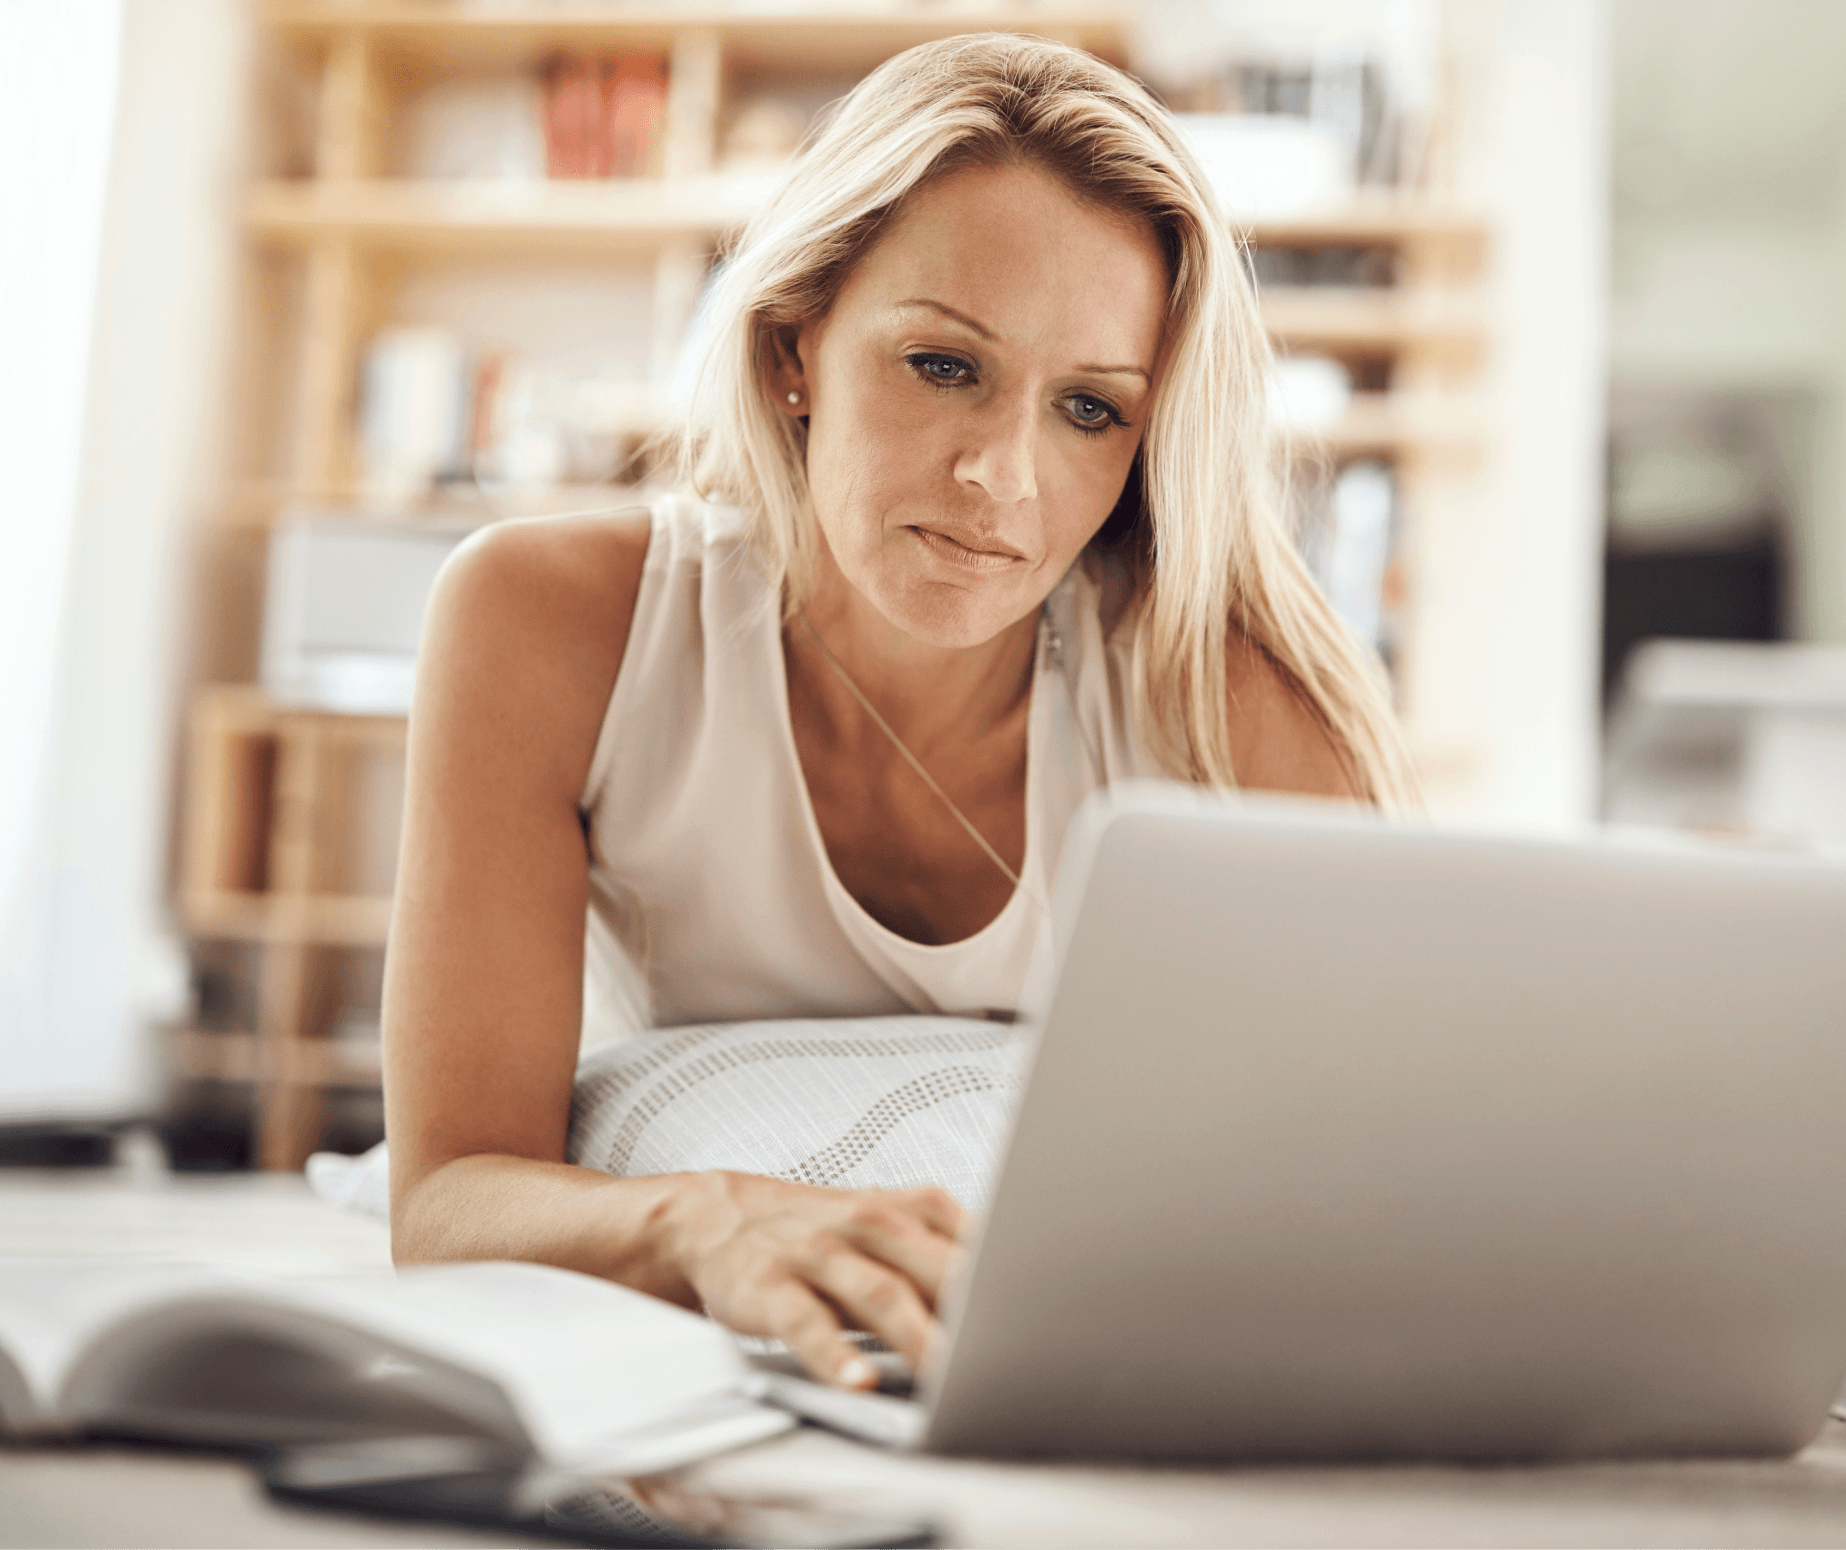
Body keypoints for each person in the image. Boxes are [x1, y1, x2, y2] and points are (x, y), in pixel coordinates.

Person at [382, 32, 1418, 1391]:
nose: (1001, 476)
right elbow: (448, 1195)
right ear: (796, 339)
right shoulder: (551, 621)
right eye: (943, 365)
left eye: (1091, 409)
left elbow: (1365, 1193)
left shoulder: (1240, 712)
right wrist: (709, 1217)